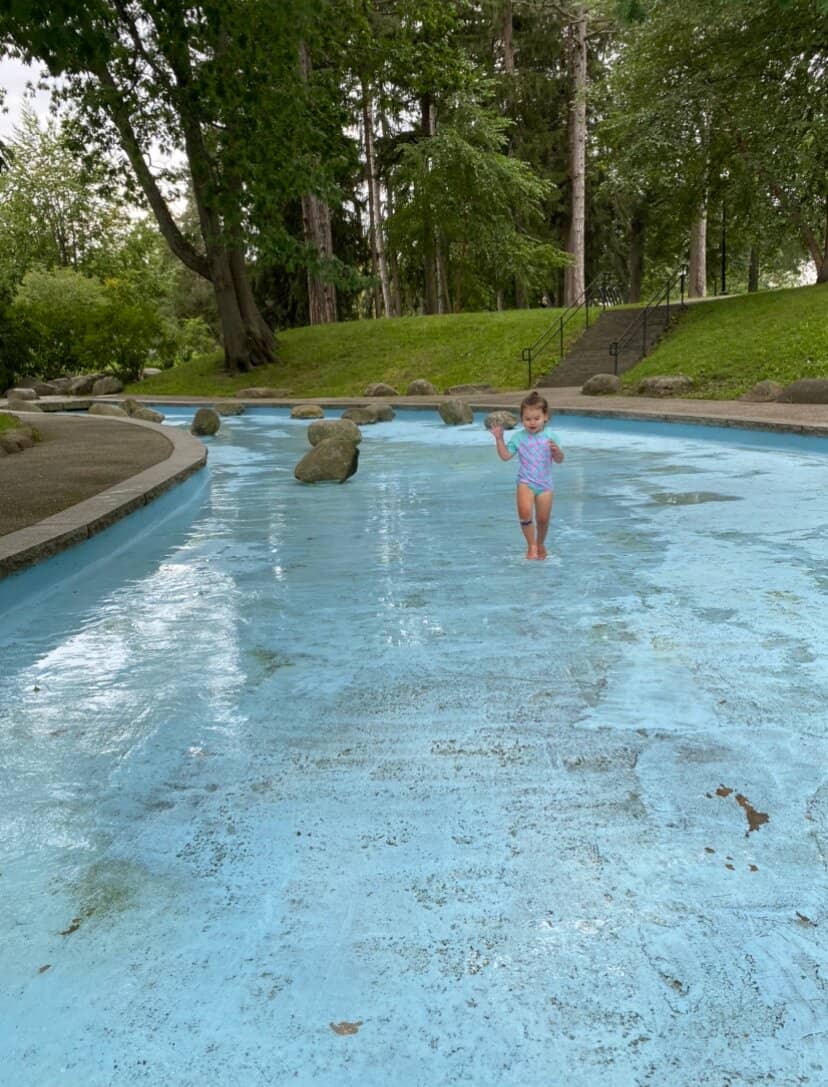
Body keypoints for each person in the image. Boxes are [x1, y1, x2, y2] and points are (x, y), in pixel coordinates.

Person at [491, 391, 564, 560]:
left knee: (543, 519)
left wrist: (557, 452)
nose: (532, 422)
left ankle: (540, 543)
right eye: (527, 419)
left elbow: (560, 460)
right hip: (526, 482)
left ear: (545, 416)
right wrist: (499, 439)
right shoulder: (518, 437)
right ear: (522, 419)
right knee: (525, 513)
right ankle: (531, 544)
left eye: (536, 418)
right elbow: (505, 456)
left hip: (545, 484)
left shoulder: (551, 436)